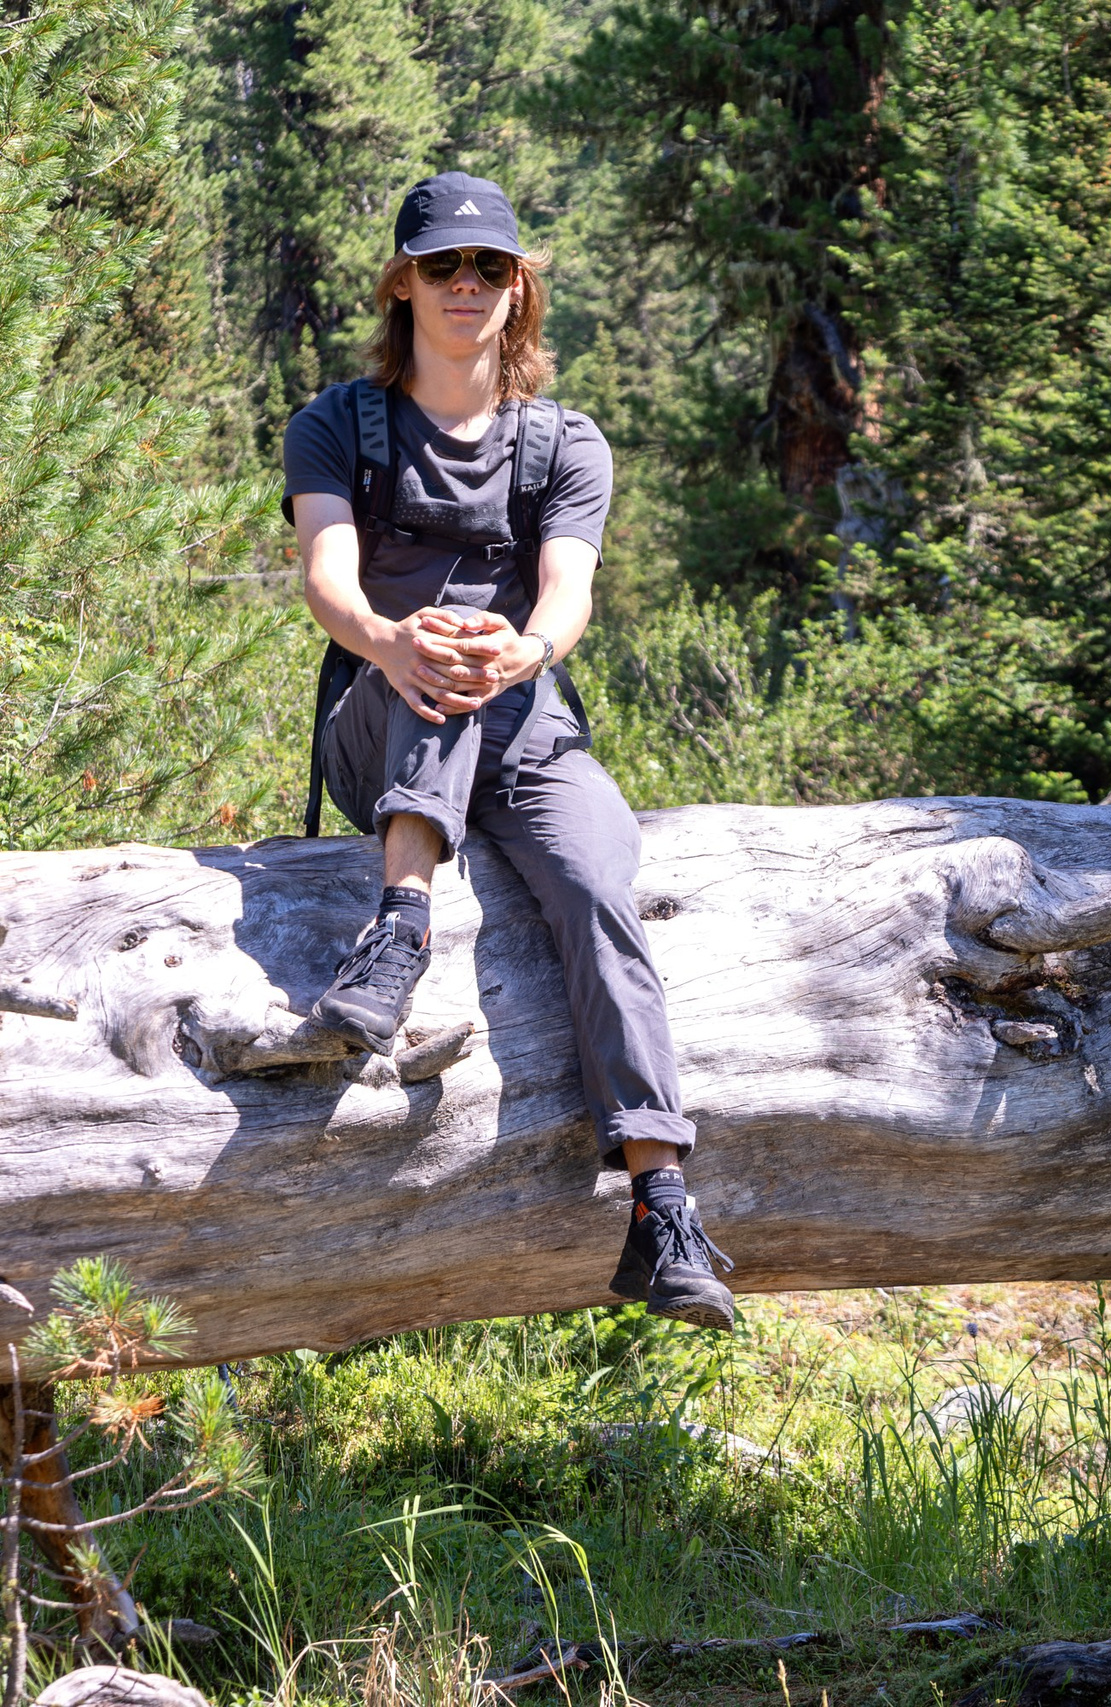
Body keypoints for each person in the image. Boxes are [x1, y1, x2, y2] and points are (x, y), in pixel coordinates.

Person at [282, 172, 736, 1331]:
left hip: (528, 718)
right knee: (437, 666)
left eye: (490, 267)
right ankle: (400, 931)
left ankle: (661, 1204)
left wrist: (521, 652)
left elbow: (567, 595)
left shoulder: (563, 444)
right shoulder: (338, 423)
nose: (467, 286)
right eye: (444, 266)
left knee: (596, 882)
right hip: (376, 717)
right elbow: (329, 582)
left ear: (519, 289)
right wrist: (396, 641)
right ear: (403, 286)